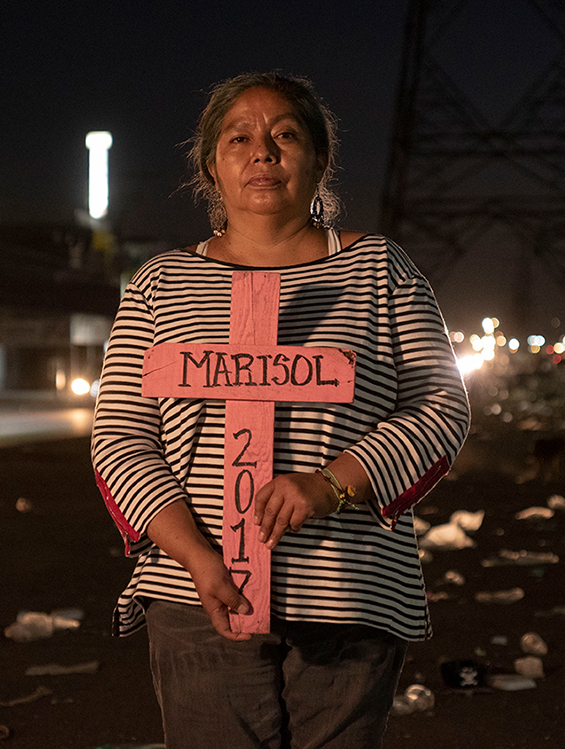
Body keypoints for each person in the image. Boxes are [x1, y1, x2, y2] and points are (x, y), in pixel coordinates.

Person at [92, 71, 470, 749]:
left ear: (319, 159)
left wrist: (331, 483)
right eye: (239, 137)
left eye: (285, 134)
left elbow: (440, 407)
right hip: (195, 593)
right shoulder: (159, 285)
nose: (262, 151)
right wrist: (199, 557)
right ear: (211, 165)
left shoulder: (380, 271)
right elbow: (121, 437)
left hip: (348, 592)